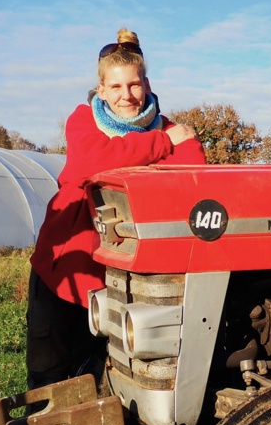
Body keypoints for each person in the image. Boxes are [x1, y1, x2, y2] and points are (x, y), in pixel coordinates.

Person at [26, 28, 206, 388]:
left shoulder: (173, 129)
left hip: (128, 275)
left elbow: (192, 175)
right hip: (68, 267)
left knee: (115, 372)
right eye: (117, 87)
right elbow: (88, 164)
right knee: (50, 370)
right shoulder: (84, 119)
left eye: (135, 85)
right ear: (102, 89)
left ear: (147, 83)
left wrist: (128, 157)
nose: (127, 96)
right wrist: (158, 146)